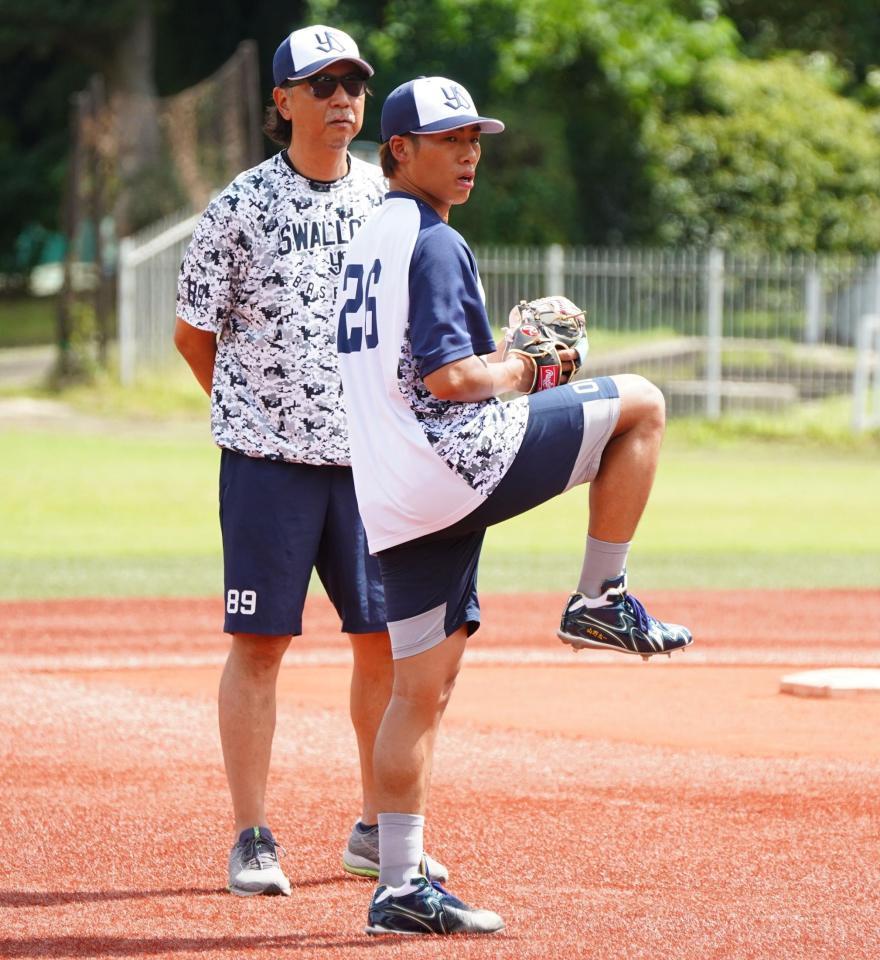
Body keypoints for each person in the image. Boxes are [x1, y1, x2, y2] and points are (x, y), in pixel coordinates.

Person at [335, 76, 693, 935]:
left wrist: (502, 364)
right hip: (455, 463)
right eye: (448, 139)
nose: (468, 154)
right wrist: (529, 367)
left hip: (391, 494)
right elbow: (452, 380)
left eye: (474, 138)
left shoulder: (367, 238)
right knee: (642, 404)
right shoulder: (432, 240)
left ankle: (398, 886)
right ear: (399, 151)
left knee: (418, 691)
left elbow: (412, 371)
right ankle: (601, 597)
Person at [173, 27, 447, 898]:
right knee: (260, 645)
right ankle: (252, 836)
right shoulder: (241, 205)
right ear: (282, 101)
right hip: (270, 463)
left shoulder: (388, 202)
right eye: (321, 85)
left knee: (382, 643)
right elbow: (192, 332)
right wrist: (256, 411)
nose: (341, 100)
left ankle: (375, 829)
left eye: (353, 85)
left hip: (369, 465)